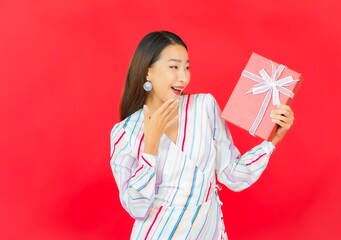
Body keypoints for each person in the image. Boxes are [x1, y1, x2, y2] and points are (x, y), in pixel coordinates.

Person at [110, 31, 294, 239]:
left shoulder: (204, 107)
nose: (184, 77)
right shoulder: (124, 133)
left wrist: (271, 141)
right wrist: (151, 144)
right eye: (174, 67)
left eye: (187, 67)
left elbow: (232, 175)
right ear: (147, 72)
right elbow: (137, 208)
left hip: (207, 232)